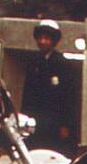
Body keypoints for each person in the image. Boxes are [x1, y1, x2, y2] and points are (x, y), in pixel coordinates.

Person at [21, 19, 79, 154]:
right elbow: (27, 96)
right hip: (36, 122)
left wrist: (66, 125)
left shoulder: (63, 64)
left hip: (56, 124)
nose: (43, 42)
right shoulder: (33, 63)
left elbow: (70, 98)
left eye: (47, 38)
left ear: (54, 41)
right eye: (40, 38)